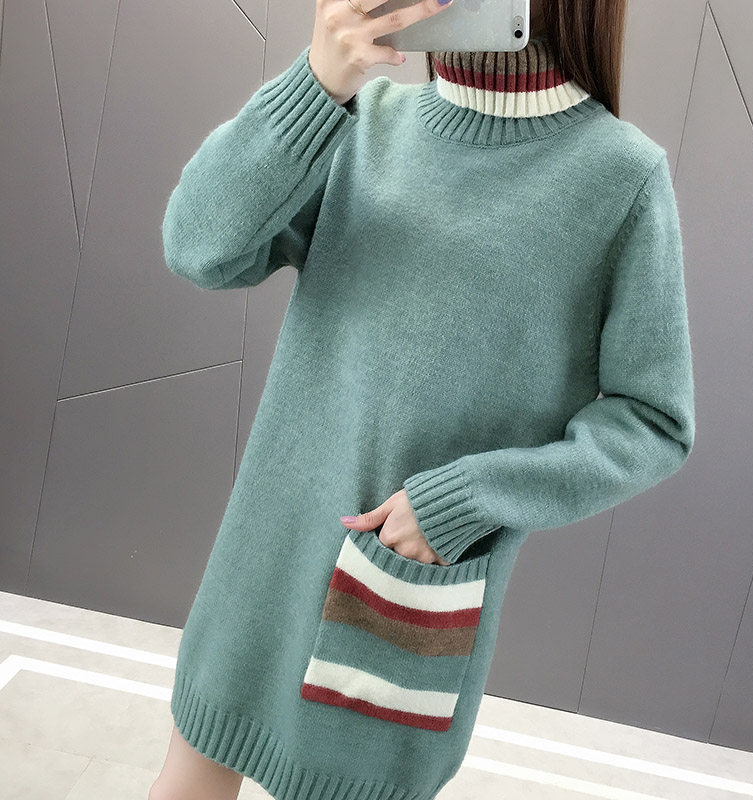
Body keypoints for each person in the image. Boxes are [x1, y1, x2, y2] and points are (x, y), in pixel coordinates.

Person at [151, 0, 695, 797]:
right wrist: (315, 84)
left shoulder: (619, 178)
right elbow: (198, 245)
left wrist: (469, 499)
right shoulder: (364, 121)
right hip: (261, 561)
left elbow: (654, 420)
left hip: (400, 586)